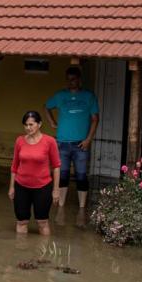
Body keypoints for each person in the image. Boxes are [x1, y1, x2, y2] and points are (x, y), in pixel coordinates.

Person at [45, 66, 100, 210]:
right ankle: (61, 206)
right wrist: (51, 122)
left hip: (81, 144)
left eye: (74, 79)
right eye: (68, 79)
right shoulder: (60, 95)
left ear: (79, 80)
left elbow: (95, 119)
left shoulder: (89, 96)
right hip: (62, 143)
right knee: (62, 176)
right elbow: (46, 106)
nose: (71, 82)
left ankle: (82, 208)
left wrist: (88, 140)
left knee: (81, 176)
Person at [8, 111, 62, 235]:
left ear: (40, 124)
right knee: (21, 222)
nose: (28, 128)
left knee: (42, 222)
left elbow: (56, 167)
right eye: (26, 125)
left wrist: (56, 190)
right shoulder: (19, 141)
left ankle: (44, 253)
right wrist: (12, 187)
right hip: (21, 186)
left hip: (43, 187)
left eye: (31, 124)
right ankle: (21, 251)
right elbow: (14, 166)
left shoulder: (50, 141)